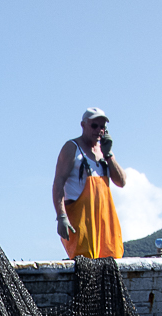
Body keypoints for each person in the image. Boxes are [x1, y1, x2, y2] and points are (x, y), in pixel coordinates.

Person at [50, 108, 125, 259]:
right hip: (80, 224)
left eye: (102, 127)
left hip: (105, 225)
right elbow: (58, 183)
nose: (99, 130)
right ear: (83, 125)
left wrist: (109, 155)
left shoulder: (105, 151)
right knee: (85, 264)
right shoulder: (72, 148)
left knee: (110, 263)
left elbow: (121, 181)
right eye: (94, 126)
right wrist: (61, 216)